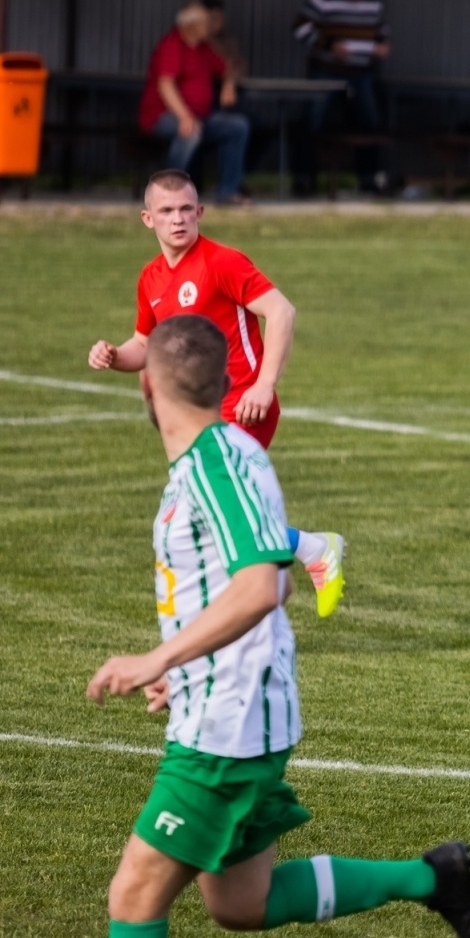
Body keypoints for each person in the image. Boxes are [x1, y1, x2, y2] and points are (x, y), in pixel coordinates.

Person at [85, 314, 470, 938]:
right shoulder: (233, 454)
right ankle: (432, 878)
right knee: (242, 900)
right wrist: (185, 666)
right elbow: (272, 582)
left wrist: (157, 658)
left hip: (226, 728)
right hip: (234, 709)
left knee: (133, 897)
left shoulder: (214, 465)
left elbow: (262, 589)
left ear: (149, 389)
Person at [86, 170, 347, 618]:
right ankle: (297, 563)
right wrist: (113, 355)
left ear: (201, 212)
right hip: (198, 414)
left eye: (187, 209)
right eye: (166, 211)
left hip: (242, 404)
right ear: (147, 219)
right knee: (207, 514)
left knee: (193, 508)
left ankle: (287, 570)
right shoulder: (150, 278)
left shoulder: (221, 262)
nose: (178, 219)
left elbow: (281, 312)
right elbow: (146, 345)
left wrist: (264, 385)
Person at [292, 0, 391, 196]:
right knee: (313, 122)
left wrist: (383, 46)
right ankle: (304, 178)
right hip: (326, 70)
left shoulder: (374, 2)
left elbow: (382, 30)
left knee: (369, 123)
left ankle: (369, 179)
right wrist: (329, 45)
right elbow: (300, 27)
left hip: (361, 72)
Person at [138, 2, 250, 206]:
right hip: (163, 116)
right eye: (206, 22)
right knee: (190, 132)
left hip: (201, 116)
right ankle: (168, 195)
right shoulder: (172, 45)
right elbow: (166, 85)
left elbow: (228, 67)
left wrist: (229, 84)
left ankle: (227, 193)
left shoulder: (203, 49)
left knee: (237, 126)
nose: (210, 26)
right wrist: (184, 116)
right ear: (192, 25)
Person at [200, 0, 246, 82]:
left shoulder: (229, 41)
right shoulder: (196, 40)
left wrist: (230, 79)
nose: (218, 22)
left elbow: (241, 67)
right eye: (214, 18)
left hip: (227, 86)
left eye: (220, 17)